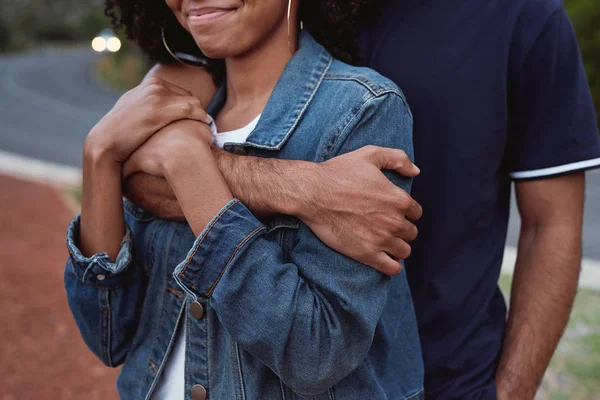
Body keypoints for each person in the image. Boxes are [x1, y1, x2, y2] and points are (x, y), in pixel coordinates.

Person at [125, 0, 600, 399]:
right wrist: (307, 188)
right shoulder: (254, 16)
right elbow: (146, 171)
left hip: (454, 378)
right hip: (268, 374)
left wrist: (511, 391)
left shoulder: (522, 14)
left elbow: (552, 225)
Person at [65, 0, 425, 399]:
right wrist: (99, 154)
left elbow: (315, 355)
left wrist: (187, 161)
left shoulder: (361, 109)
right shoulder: (159, 112)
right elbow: (109, 335)